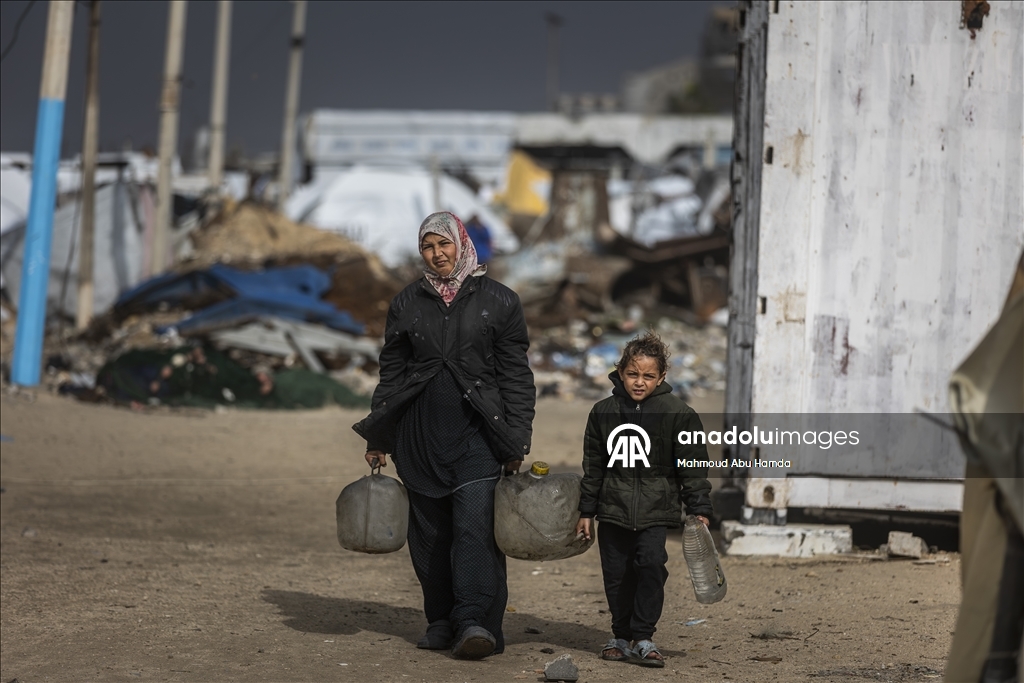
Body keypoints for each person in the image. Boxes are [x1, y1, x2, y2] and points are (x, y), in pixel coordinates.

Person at [352, 211, 535, 660]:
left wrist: (517, 440)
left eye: (444, 245)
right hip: (419, 435)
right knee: (429, 535)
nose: (437, 255)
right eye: (428, 248)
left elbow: (516, 376)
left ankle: (475, 621)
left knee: (474, 529)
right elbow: (392, 372)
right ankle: (440, 620)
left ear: (462, 244)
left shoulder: (501, 301)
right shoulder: (407, 303)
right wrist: (379, 435)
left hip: (478, 436)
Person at [574, 332, 713, 668]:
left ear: (662, 377)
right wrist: (586, 511)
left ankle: (644, 637)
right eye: (633, 374)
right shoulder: (603, 412)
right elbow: (593, 466)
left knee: (651, 566)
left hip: (656, 511)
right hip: (613, 510)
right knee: (616, 575)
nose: (639, 382)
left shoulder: (679, 413)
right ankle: (620, 637)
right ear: (620, 372)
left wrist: (699, 508)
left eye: (649, 376)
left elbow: (692, 466)